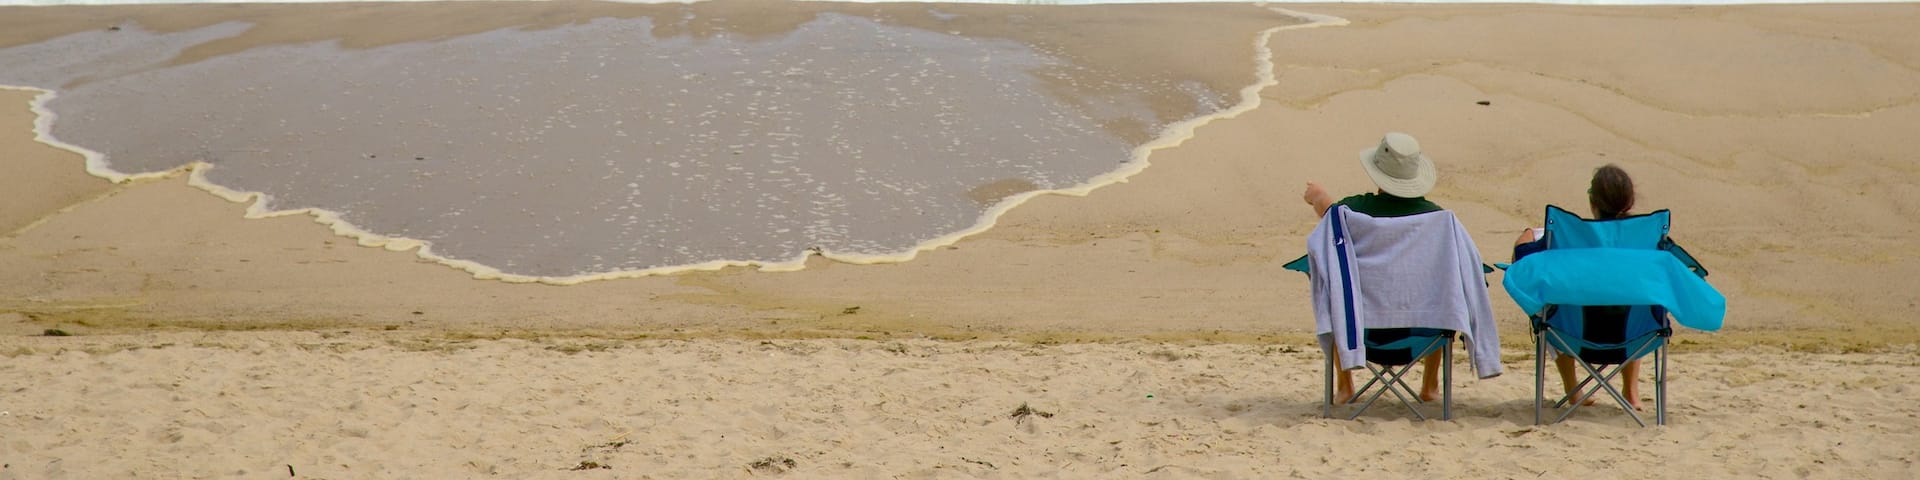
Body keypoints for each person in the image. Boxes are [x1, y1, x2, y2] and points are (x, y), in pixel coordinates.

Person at [1302, 132, 1446, 404]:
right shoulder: (1437, 219)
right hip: (1423, 335)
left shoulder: (1355, 210)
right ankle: (1430, 385)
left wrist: (1318, 197)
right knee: (1439, 288)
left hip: (1360, 334)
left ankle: (1345, 386)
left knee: (1335, 289)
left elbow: (1331, 217)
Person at [1512, 163, 1649, 410]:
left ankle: (1573, 388)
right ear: (1629, 202)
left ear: (1592, 202)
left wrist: (1526, 235)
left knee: (1553, 305)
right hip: (1632, 337)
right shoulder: (1646, 241)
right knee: (1639, 302)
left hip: (1571, 336)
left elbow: (1523, 258)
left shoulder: (1569, 239)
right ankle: (1631, 392)